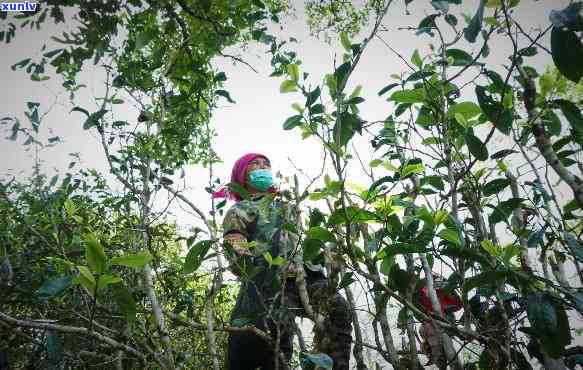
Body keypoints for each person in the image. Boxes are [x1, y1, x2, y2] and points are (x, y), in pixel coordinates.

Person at [213, 153, 352, 370]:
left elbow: (301, 242)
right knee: (278, 334)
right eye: (255, 164)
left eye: (266, 164)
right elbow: (235, 243)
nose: (263, 167)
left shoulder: (286, 205)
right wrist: (254, 266)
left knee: (338, 307)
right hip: (271, 281)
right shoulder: (240, 209)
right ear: (242, 175)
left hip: (305, 276)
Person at [417, 277, 463, 369]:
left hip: (437, 326)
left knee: (445, 355)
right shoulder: (425, 291)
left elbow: (458, 304)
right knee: (444, 354)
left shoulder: (432, 291)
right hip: (433, 326)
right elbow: (458, 304)